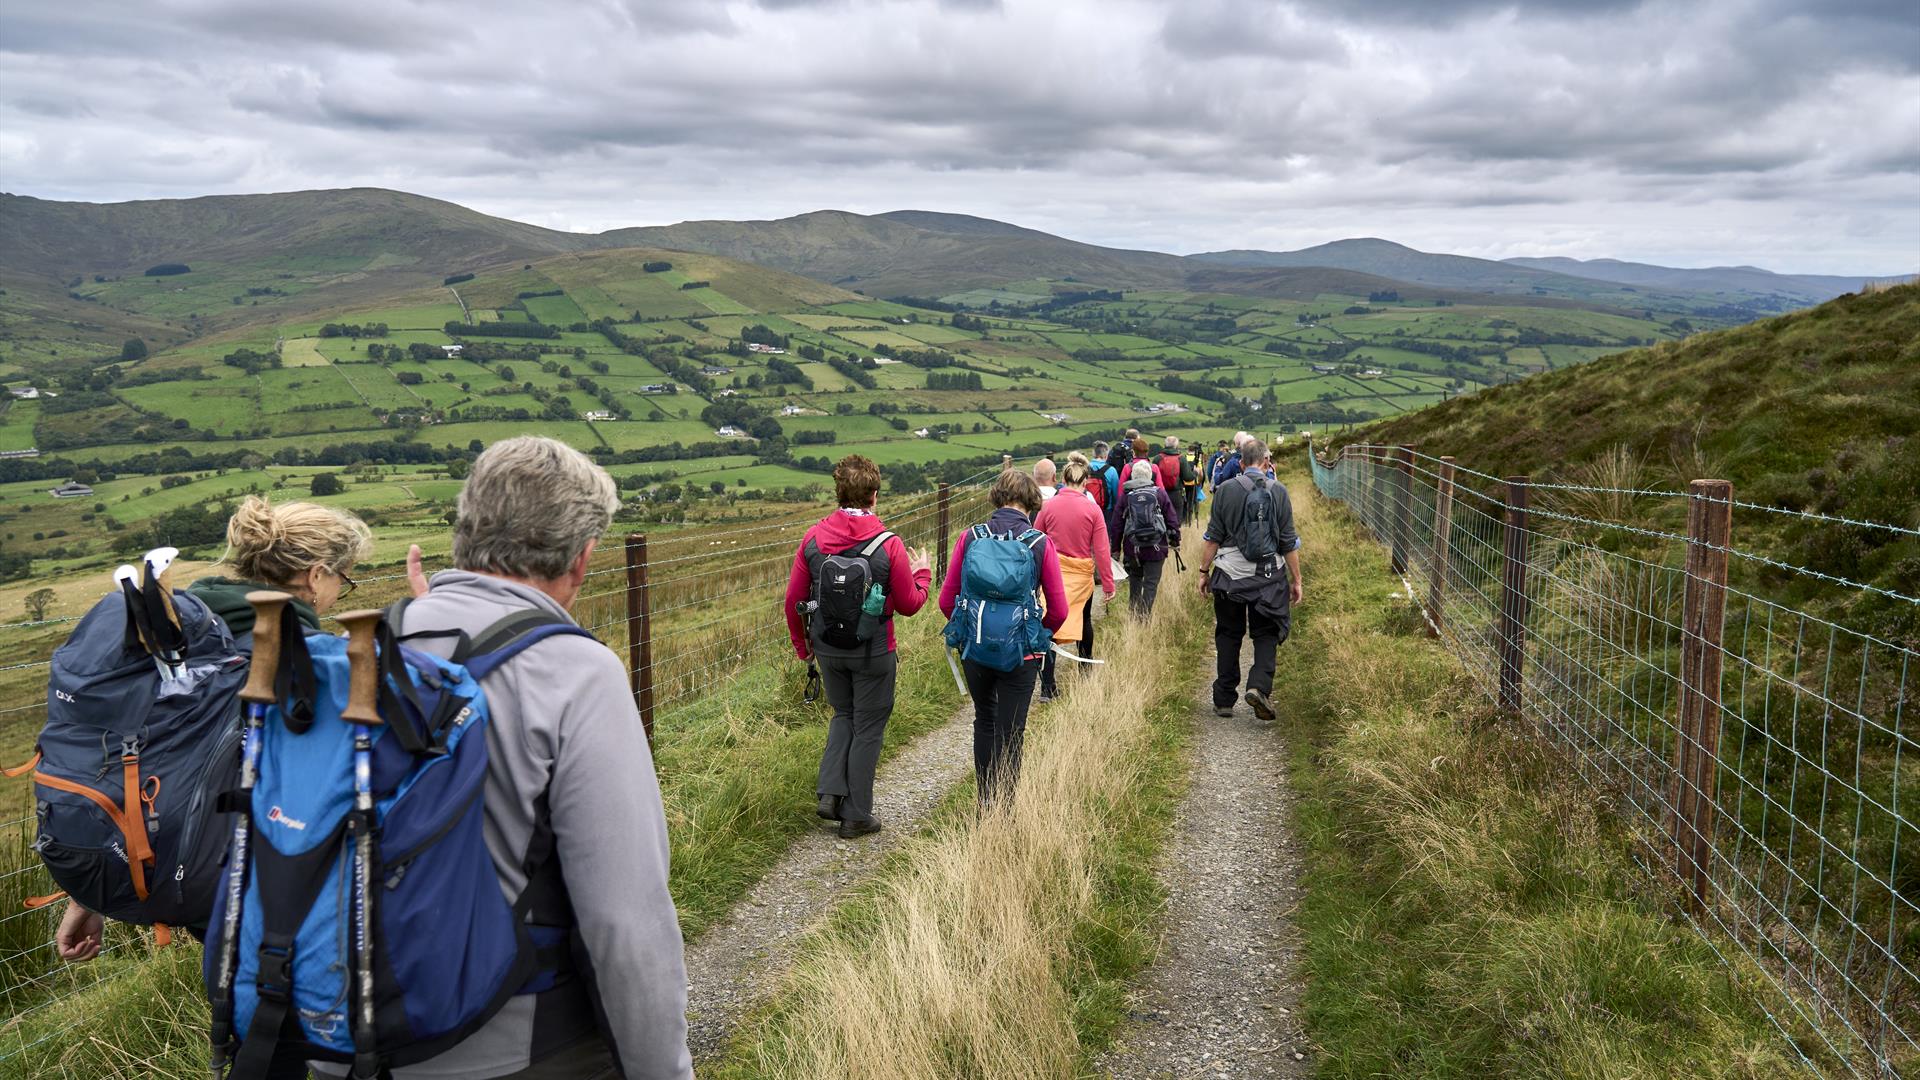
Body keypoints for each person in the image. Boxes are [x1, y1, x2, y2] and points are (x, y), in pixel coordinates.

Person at [380, 436, 692, 1079]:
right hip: (521, 1045)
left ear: (464, 534)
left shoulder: (375, 645)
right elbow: (626, 928)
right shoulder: (577, 672)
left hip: (354, 1040)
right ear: (581, 559)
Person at [55, 497, 374, 997]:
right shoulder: (299, 659)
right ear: (315, 576)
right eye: (344, 580)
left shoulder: (184, 631)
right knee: (284, 1029)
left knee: (241, 1020)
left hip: (185, 872)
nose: (339, 594)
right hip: (265, 887)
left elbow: (130, 754)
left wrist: (94, 889)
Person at [784, 454, 934, 839]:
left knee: (843, 715)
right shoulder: (890, 546)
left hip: (828, 648)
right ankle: (856, 815)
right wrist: (924, 574)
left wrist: (805, 649)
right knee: (868, 726)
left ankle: (830, 794)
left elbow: (793, 601)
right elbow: (909, 604)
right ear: (874, 495)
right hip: (873, 650)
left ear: (838, 491)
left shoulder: (813, 539)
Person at [938, 470, 1067, 801]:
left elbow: (945, 599)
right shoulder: (1040, 543)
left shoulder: (970, 537)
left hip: (975, 648)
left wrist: (969, 630)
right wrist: (1037, 636)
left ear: (997, 497)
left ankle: (984, 803)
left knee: (985, 721)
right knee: (1012, 732)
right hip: (1021, 653)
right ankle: (1004, 812)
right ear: (1031, 502)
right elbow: (1060, 609)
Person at [1199, 439, 1303, 724]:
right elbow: (1288, 542)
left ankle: (1223, 699)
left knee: (1229, 634)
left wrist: (1203, 572)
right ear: (1267, 462)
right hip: (1268, 578)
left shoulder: (1225, 490)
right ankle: (1259, 686)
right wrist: (1297, 579)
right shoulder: (1279, 492)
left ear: (1241, 464)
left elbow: (1213, 537)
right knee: (1266, 634)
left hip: (1230, 577)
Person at [1032, 457, 1115, 701]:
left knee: (1051, 624)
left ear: (1064, 480)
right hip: (1081, 575)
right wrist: (1108, 584)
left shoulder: (1048, 507)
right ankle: (1085, 672)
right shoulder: (1092, 510)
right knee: (1084, 620)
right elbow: (1101, 550)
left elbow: (1036, 539)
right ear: (1086, 481)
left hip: (1053, 573)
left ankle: (1048, 686)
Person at [1118, 460, 1181, 618]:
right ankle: (1144, 618)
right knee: (1151, 584)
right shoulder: (1159, 493)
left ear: (1132, 476)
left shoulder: (1126, 496)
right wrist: (1175, 539)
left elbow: (1116, 524)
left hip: (1133, 548)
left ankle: (1133, 615)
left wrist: (1115, 549)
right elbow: (1172, 519)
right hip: (1156, 547)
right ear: (1150, 475)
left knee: (1135, 580)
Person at [1086, 441, 1118, 512]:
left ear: (1094, 454)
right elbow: (1116, 494)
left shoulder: (1085, 468)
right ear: (1106, 455)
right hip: (1106, 510)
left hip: (1088, 509)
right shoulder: (1111, 470)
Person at [1153, 435, 1184, 502]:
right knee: (1177, 512)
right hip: (1176, 493)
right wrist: (1195, 473)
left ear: (1165, 445)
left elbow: (1153, 477)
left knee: (1161, 511)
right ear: (1176, 446)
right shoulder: (1181, 458)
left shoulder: (1157, 458)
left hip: (1160, 492)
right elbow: (1188, 477)